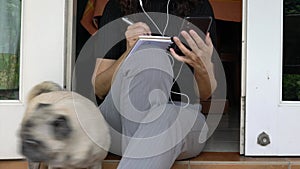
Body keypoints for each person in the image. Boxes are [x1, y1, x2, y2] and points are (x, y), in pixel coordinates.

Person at [92, 0, 217, 168]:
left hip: (179, 116)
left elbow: (205, 93)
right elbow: (99, 88)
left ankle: (144, 145)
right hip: (119, 119)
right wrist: (131, 52)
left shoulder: (199, 5)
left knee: (166, 116)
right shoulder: (116, 6)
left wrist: (202, 67)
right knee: (151, 55)